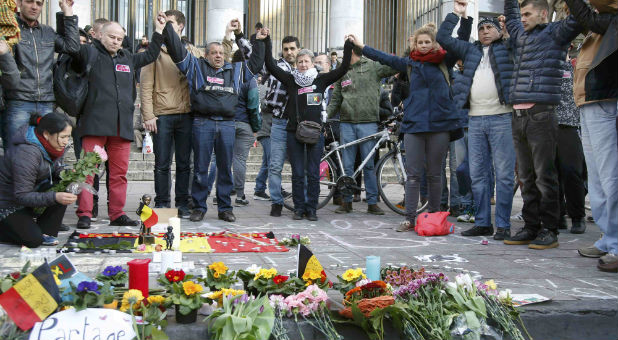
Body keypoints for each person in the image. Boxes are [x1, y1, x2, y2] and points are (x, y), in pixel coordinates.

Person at [349, 24, 462, 232]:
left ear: (434, 43)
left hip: (440, 125)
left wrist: (462, 18)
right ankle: (410, 219)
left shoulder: (445, 61)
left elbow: (460, 43)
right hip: (414, 125)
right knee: (413, 174)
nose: (425, 45)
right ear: (415, 45)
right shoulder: (410, 64)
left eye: (428, 42)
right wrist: (361, 46)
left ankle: (435, 217)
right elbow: (385, 58)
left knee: (435, 174)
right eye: (421, 42)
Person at [162, 18, 266, 223]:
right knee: (201, 168)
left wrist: (258, 41)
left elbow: (256, 62)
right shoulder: (195, 67)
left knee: (225, 168)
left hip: (228, 124)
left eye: (221, 53)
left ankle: (225, 208)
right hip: (202, 123)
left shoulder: (236, 71)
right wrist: (168, 27)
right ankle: (199, 207)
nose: (218, 56)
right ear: (206, 55)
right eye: (214, 53)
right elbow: (176, 50)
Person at [70, 16, 166, 229]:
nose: (115, 41)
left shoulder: (127, 58)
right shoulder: (90, 54)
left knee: (119, 174)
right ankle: (84, 213)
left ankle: (116, 213)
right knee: (87, 172)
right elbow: (71, 47)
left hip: (120, 126)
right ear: (100, 35)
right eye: (111, 37)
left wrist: (158, 30)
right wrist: (67, 15)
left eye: (119, 38)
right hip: (94, 124)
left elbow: (151, 54)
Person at [502, 0, 581, 249]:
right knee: (525, 176)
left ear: (543, 13)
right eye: (522, 13)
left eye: (528, 14)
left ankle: (550, 229)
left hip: (542, 114)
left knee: (544, 176)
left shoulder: (557, 32)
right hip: (518, 115)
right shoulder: (520, 35)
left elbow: (579, 15)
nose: (522, 18)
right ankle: (530, 226)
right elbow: (511, 15)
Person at [436, 1, 516, 241]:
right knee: (477, 174)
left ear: (499, 31)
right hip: (476, 120)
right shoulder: (470, 50)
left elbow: (520, 38)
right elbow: (442, 36)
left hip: (502, 117)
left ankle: (502, 225)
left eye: (490, 27)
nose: (485, 31)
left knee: (503, 175)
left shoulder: (508, 47)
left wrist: (509, 25)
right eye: (481, 28)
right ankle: (482, 223)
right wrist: (456, 14)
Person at [264, 28, 353, 221]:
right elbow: (270, 65)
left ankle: (311, 209)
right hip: (293, 132)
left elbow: (343, 68)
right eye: (300, 62)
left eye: (306, 61)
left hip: (315, 132)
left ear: (312, 63)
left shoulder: (321, 79)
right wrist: (267, 40)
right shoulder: (290, 80)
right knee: (297, 173)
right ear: (295, 64)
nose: (303, 65)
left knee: (313, 173)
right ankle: (298, 208)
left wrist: (348, 46)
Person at [564, 0, 617, 272]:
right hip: (590, 102)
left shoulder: (609, 18)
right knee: (597, 179)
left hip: (606, 100)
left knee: (611, 176)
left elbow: (589, 14)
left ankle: (617, 245)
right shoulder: (603, 21)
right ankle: (609, 239)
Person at [140, 9, 202, 218]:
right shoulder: (155, 51)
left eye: (170, 22)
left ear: (180, 27)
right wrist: (148, 115)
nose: (165, 25)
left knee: (185, 164)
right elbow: (145, 86)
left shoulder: (193, 51)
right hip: (163, 115)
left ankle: (182, 204)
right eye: (163, 22)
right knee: (162, 163)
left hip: (187, 114)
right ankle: (162, 203)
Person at [326, 45, 398, 215]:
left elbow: (395, 65)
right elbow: (335, 99)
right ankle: (347, 201)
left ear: (352, 51)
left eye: (345, 51)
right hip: (347, 123)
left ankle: (372, 202)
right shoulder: (343, 71)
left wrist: (368, 50)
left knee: (369, 165)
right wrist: (325, 116)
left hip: (368, 123)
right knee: (347, 165)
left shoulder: (372, 66)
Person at [2, 0, 79, 151]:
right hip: (18, 100)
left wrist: (67, 12)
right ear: (19, 3)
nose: (34, 6)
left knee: (48, 152)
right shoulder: (9, 30)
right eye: (30, 2)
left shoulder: (47, 32)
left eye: (39, 3)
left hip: (46, 101)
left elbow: (72, 47)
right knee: (15, 152)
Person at [0, 113, 77, 247]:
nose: (66, 141)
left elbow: (54, 169)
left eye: (68, 137)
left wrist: (69, 174)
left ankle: (44, 232)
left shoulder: (50, 146)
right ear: (47, 134)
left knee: (64, 186)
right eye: (63, 137)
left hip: (28, 196)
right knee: (33, 240)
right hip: (8, 203)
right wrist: (54, 197)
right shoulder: (27, 153)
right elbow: (21, 195)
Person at [265, 36, 299, 217]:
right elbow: (255, 56)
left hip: (296, 125)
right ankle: (276, 202)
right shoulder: (278, 67)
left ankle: (299, 201)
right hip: (279, 122)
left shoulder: (302, 71)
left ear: (298, 50)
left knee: (298, 166)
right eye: (286, 49)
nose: (289, 52)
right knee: (275, 165)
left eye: (292, 48)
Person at [555, 54, 586, 234]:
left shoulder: (575, 65)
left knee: (572, 171)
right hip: (546, 123)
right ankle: (557, 216)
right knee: (550, 173)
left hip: (570, 124)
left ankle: (577, 216)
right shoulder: (544, 66)